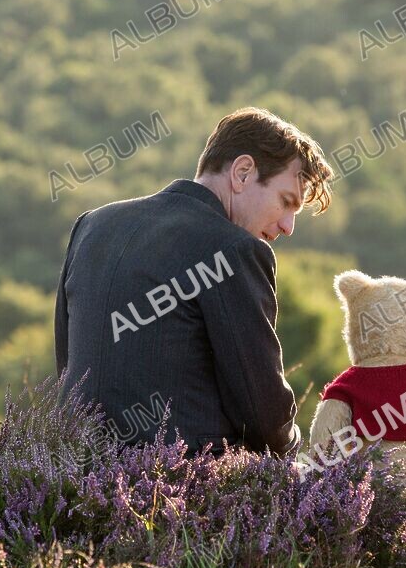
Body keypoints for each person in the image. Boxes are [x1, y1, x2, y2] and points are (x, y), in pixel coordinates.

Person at [54, 106, 333, 459]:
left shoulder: (91, 226)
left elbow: (68, 368)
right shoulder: (235, 250)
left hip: (66, 479)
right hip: (181, 494)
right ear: (243, 172)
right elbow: (263, 416)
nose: (288, 226)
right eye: (286, 201)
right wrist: (294, 446)